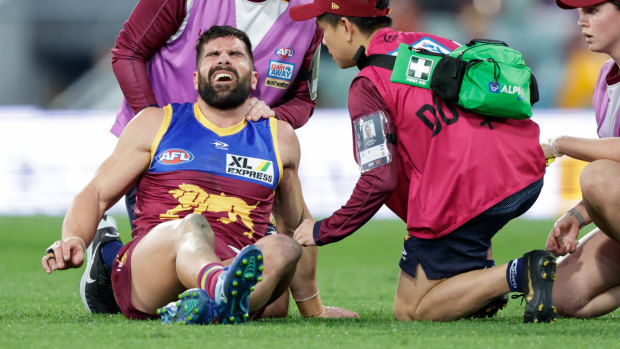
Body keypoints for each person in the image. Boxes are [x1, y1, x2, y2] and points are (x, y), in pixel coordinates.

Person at [289, 0, 558, 322]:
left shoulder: (369, 83)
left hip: (470, 188)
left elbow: (380, 178)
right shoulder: (434, 42)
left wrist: (324, 230)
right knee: (459, 234)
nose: (323, 43)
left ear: (346, 27)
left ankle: (518, 273)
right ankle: (480, 282)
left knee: (412, 310)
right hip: (526, 169)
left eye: (323, 30)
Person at [41, 26, 322, 324]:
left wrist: (312, 309)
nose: (224, 60)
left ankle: (209, 307)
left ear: (254, 78)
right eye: (213, 54)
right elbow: (95, 193)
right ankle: (220, 289)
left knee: (284, 247)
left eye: (235, 54)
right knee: (191, 226)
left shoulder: (279, 138)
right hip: (157, 264)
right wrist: (72, 238)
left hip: (233, 256)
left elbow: (295, 229)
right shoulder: (156, 122)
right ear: (195, 78)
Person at [97, 0, 357, 319]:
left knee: (272, 306)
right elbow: (127, 51)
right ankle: (109, 256)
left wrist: (274, 116)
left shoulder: (306, 16)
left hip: (243, 164)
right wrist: (160, 130)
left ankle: (206, 298)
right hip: (168, 160)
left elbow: (304, 98)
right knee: (178, 251)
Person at [541, 0, 620, 318]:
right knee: (560, 297)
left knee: (595, 177)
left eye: (592, 11)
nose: (580, 22)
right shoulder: (605, 78)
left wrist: (560, 144)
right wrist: (578, 214)